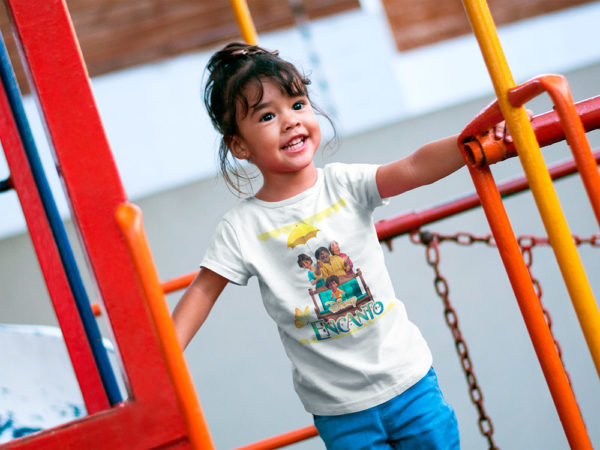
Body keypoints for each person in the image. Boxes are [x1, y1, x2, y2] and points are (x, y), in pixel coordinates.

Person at [172, 42, 513, 449]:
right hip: (339, 408)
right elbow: (202, 292)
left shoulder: (343, 184)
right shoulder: (242, 227)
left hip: (408, 379)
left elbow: (413, 167)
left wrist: (468, 142)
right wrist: (164, 366)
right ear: (240, 146)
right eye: (267, 115)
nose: (290, 121)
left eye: (298, 105)